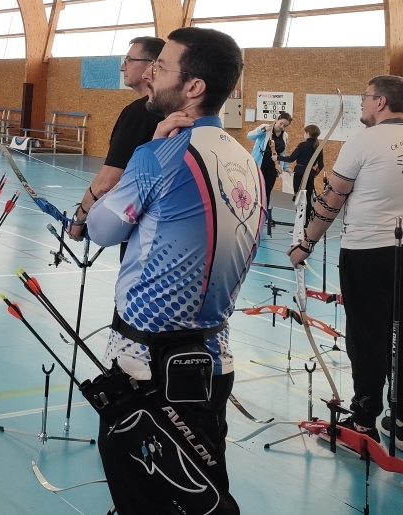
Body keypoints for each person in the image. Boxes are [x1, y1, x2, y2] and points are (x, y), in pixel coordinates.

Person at [76, 27, 262, 515]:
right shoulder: (245, 161)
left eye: (161, 67)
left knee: (142, 498)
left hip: (146, 367)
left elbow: (101, 228)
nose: (150, 75)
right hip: (213, 360)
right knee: (200, 491)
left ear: (194, 86)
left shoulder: (160, 154)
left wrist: (148, 154)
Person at [288, 76, 403, 453]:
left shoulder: (364, 140)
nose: (362, 103)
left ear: (381, 101)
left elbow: (332, 198)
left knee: (366, 335)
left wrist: (305, 243)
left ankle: (363, 420)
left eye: (365, 97)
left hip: (369, 251)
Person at [70, 36, 165, 256]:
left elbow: (107, 182)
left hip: (143, 236)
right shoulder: (175, 110)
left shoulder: (139, 113)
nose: (123, 67)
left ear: (151, 66)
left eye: (129, 60)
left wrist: (80, 217)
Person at [278, 124, 323, 224]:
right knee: (307, 198)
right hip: (309, 175)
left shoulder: (302, 145)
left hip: (299, 174)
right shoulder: (318, 147)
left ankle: (299, 223)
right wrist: (314, 173)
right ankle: (306, 223)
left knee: (299, 198)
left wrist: (278, 157)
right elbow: (321, 165)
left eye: (304, 133)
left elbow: (291, 158)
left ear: (308, 133)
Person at [248, 112, 291, 194]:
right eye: (281, 123)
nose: (282, 126)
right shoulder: (265, 128)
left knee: (267, 191)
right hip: (260, 163)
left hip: (273, 166)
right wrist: (263, 130)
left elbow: (283, 153)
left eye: (285, 126)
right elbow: (249, 136)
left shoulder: (285, 135)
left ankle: (266, 203)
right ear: (277, 120)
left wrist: (286, 167)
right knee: (258, 190)